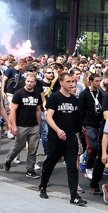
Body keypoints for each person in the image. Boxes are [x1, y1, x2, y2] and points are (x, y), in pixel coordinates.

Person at [38, 72, 87, 206]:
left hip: (71, 137)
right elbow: (49, 117)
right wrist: (58, 130)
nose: (71, 84)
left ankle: (74, 195)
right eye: (68, 82)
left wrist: (80, 129)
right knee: (50, 163)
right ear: (61, 83)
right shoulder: (54, 98)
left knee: (72, 166)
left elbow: (77, 118)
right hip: (56, 138)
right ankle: (43, 186)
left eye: (73, 81)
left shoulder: (74, 100)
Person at [5, 74, 42, 178]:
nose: (29, 83)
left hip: (33, 125)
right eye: (28, 81)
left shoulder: (37, 94)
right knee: (18, 147)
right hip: (21, 125)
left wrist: (39, 125)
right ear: (25, 82)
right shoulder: (19, 93)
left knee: (33, 149)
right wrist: (14, 125)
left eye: (32, 81)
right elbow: (13, 110)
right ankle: (8, 160)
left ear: (35, 83)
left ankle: (30, 169)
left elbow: (38, 110)